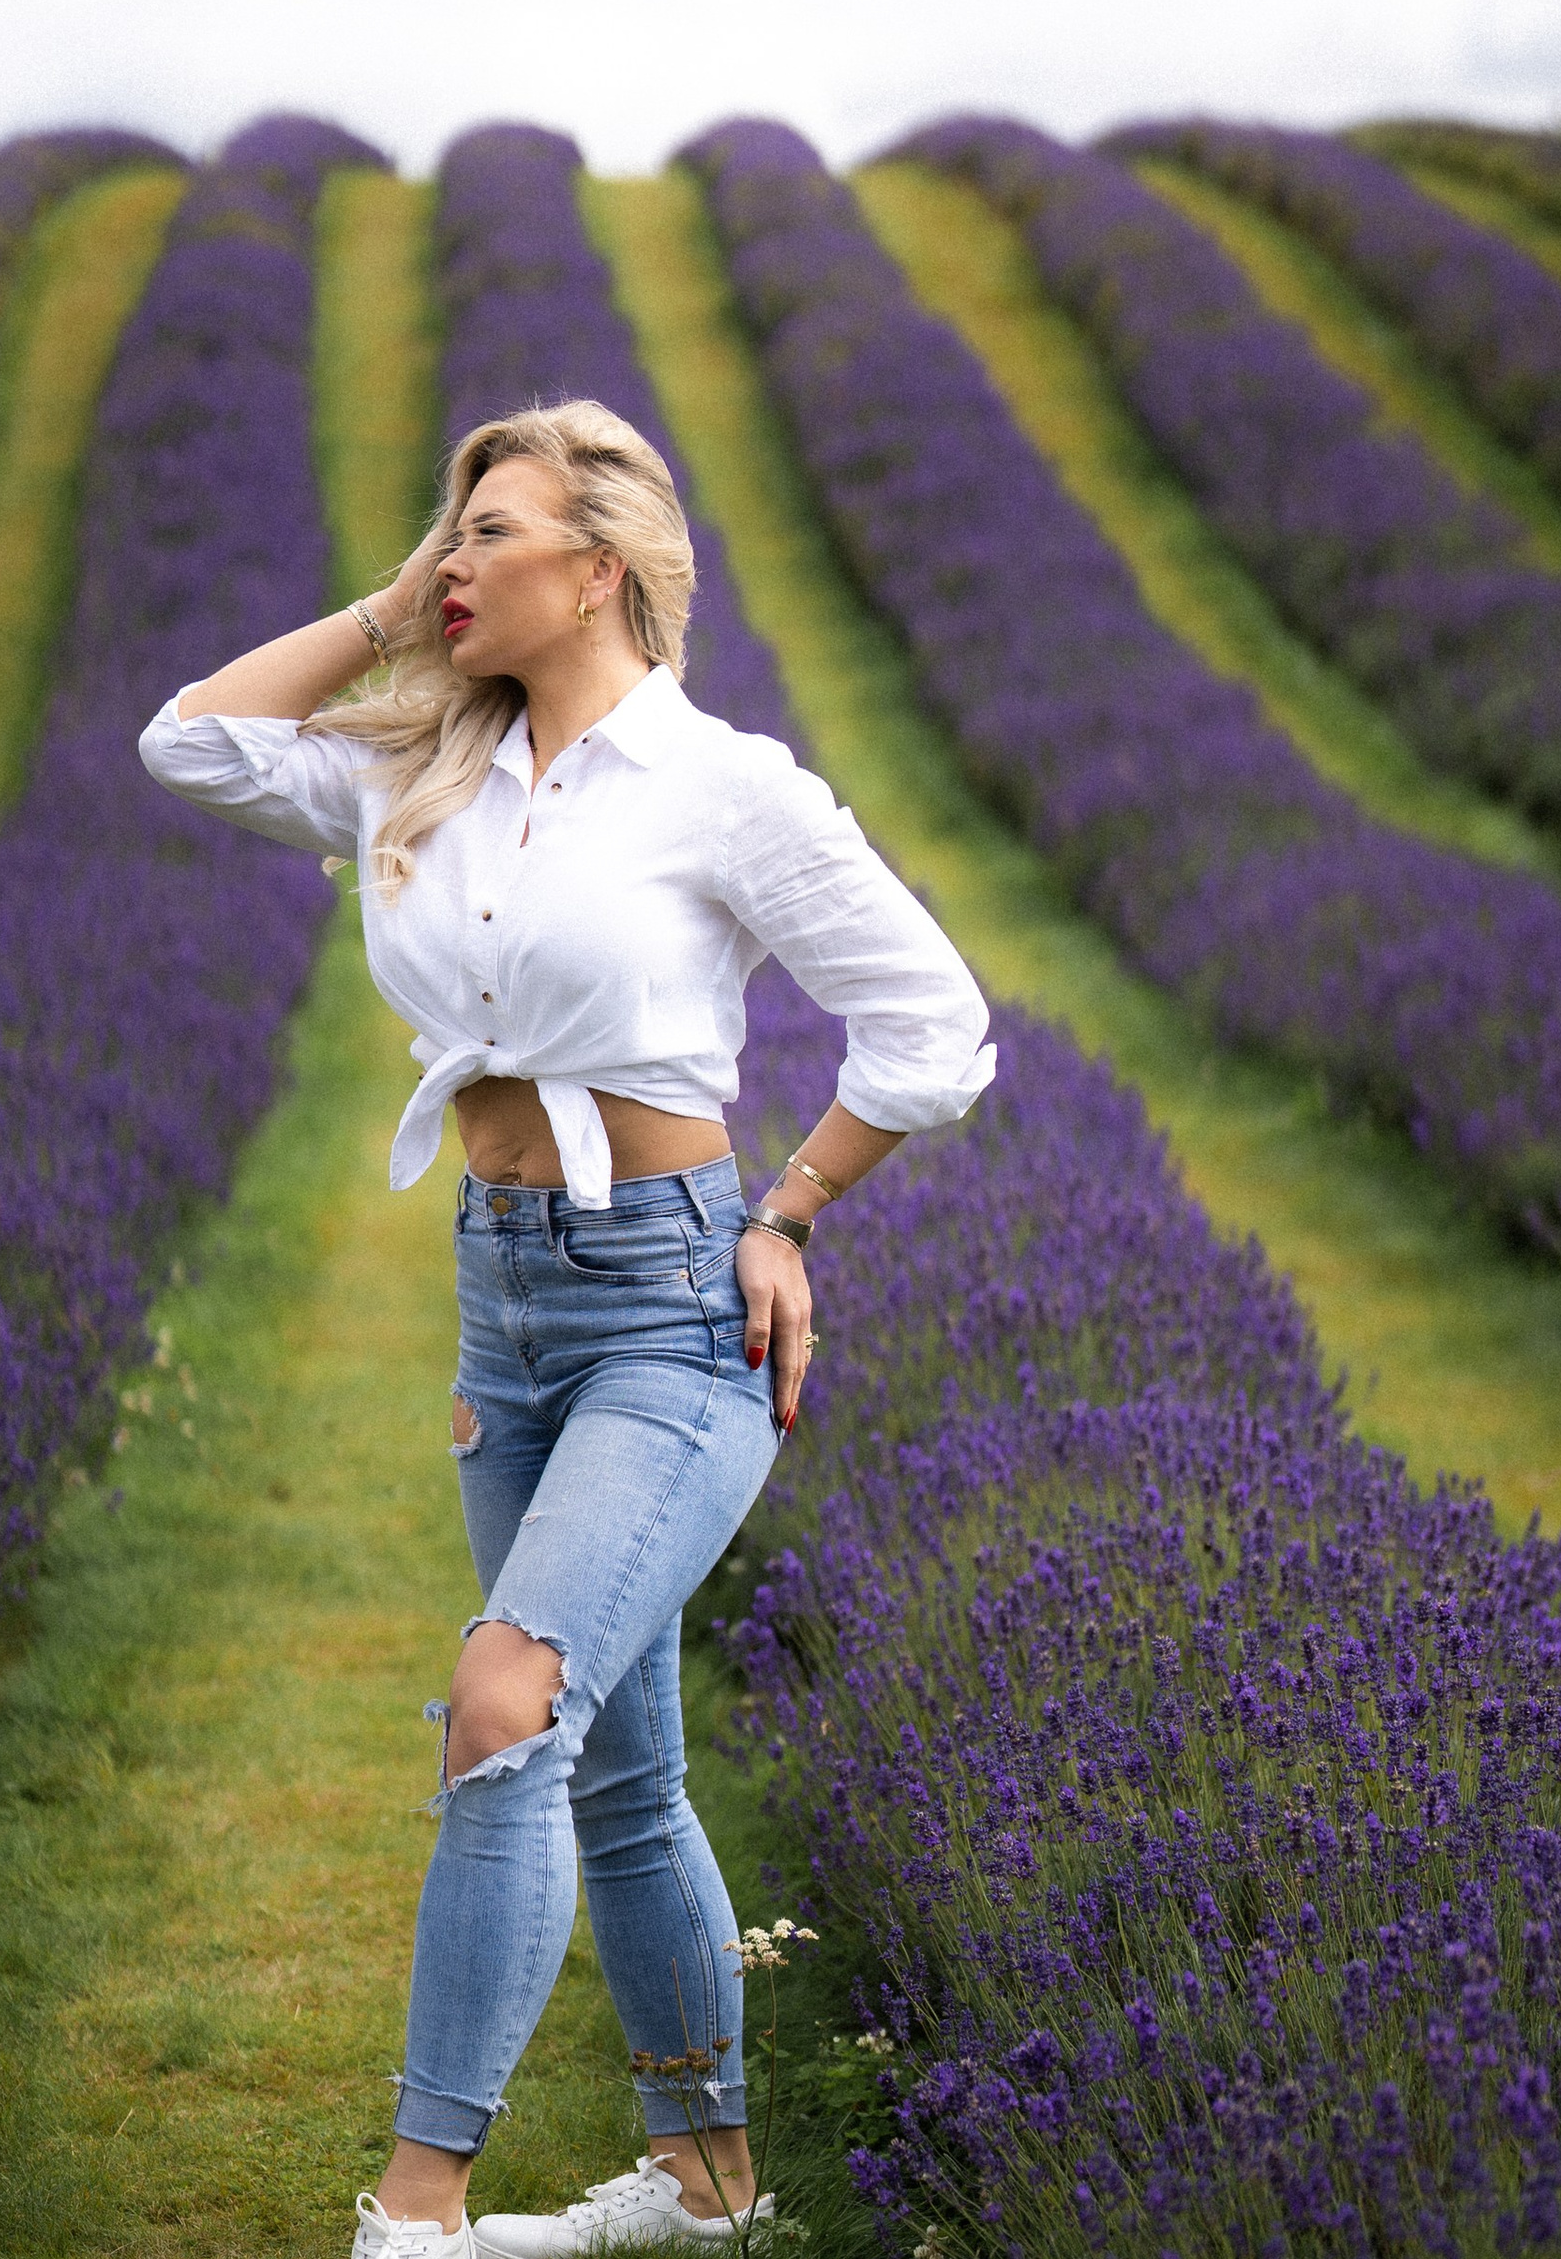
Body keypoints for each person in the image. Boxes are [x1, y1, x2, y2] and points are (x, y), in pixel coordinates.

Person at [139, 401, 995, 2259]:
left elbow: (934, 1023)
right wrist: (384, 611)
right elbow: (187, 743)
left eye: (489, 535)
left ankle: (417, 2211)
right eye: (445, 534)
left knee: (504, 1702)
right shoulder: (421, 773)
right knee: (618, 1765)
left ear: (598, 568)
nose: (453, 563)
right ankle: (710, 2187)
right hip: (505, 1296)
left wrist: (794, 1210)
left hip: (676, 1303)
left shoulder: (724, 785)